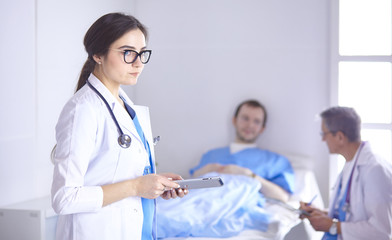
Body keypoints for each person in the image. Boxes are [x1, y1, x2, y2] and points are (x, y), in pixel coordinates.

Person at [51, 13, 187, 240]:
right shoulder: (83, 109)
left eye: (142, 53)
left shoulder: (127, 107)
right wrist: (136, 186)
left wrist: (155, 184)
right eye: (128, 53)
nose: (138, 63)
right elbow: (64, 198)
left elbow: (118, 175)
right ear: (98, 54)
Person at [300, 106, 392, 240]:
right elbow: (350, 212)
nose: (323, 140)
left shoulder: (375, 170)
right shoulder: (351, 162)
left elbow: (382, 231)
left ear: (339, 137)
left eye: (324, 134)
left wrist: (333, 226)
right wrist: (322, 213)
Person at [190, 99, 295, 202]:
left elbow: (282, 197)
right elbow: (191, 185)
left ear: (262, 128)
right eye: (245, 118)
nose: (250, 125)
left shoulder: (274, 161)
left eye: (256, 121)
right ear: (234, 120)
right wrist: (208, 169)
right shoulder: (211, 155)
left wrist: (248, 175)